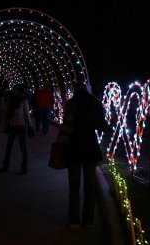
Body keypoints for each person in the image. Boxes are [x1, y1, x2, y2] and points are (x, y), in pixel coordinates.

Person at [59, 81, 108, 228]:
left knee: (74, 185)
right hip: (90, 148)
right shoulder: (96, 104)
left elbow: (65, 125)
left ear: (75, 89)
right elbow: (102, 126)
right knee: (90, 184)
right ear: (87, 89)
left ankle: (73, 220)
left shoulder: (70, 104)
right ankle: (88, 220)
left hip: (74, 147)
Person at [0, 84, 34, 175]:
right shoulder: (12, 100)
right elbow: (7, 112)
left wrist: (30, 126)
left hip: (21, 126)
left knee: (23, 147)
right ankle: (5, 166)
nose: (14, 91)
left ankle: (24, 167)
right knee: (8, 147)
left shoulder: (23, 100)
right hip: (12, 126)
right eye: (14, 90)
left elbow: (27, 114)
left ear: (19, 90)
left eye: (16, 90)